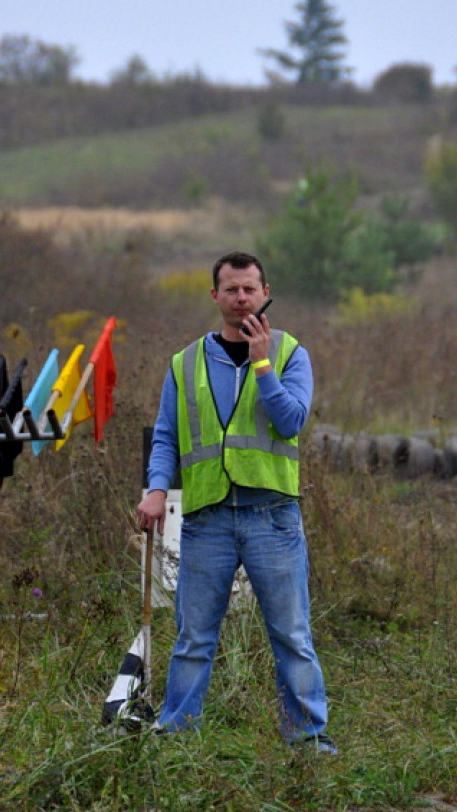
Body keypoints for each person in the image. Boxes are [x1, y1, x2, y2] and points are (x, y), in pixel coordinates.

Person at [136, 251, 334, 752]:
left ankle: (308, 739)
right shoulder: (184, 363)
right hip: (206, 519)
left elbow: (290, 422)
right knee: (193, 638)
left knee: (291, 635)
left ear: (266, 293)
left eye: (250, 289)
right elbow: (165, 436)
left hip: (272, 517)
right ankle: (176, 734)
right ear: (215, 296)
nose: (241, 297)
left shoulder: (291, 354)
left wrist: (263, 363)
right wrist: (157, 490)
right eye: (232, 289)